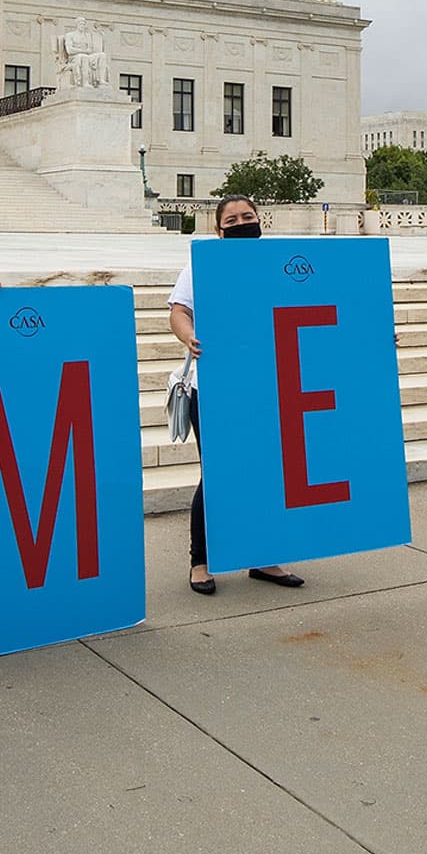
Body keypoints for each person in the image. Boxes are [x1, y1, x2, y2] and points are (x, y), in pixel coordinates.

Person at [169, 195, 304, 595]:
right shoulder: (202, 265)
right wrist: (188, 336)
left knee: (267, 471)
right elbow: (179, 310)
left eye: (249, 216)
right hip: (213, 387)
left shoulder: (278, 264)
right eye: (233, 218)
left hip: (266, 386)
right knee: (218, 473)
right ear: (218, 229)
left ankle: (262, 557)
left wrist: (373, 334)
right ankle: (201, 561)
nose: (242, 222)